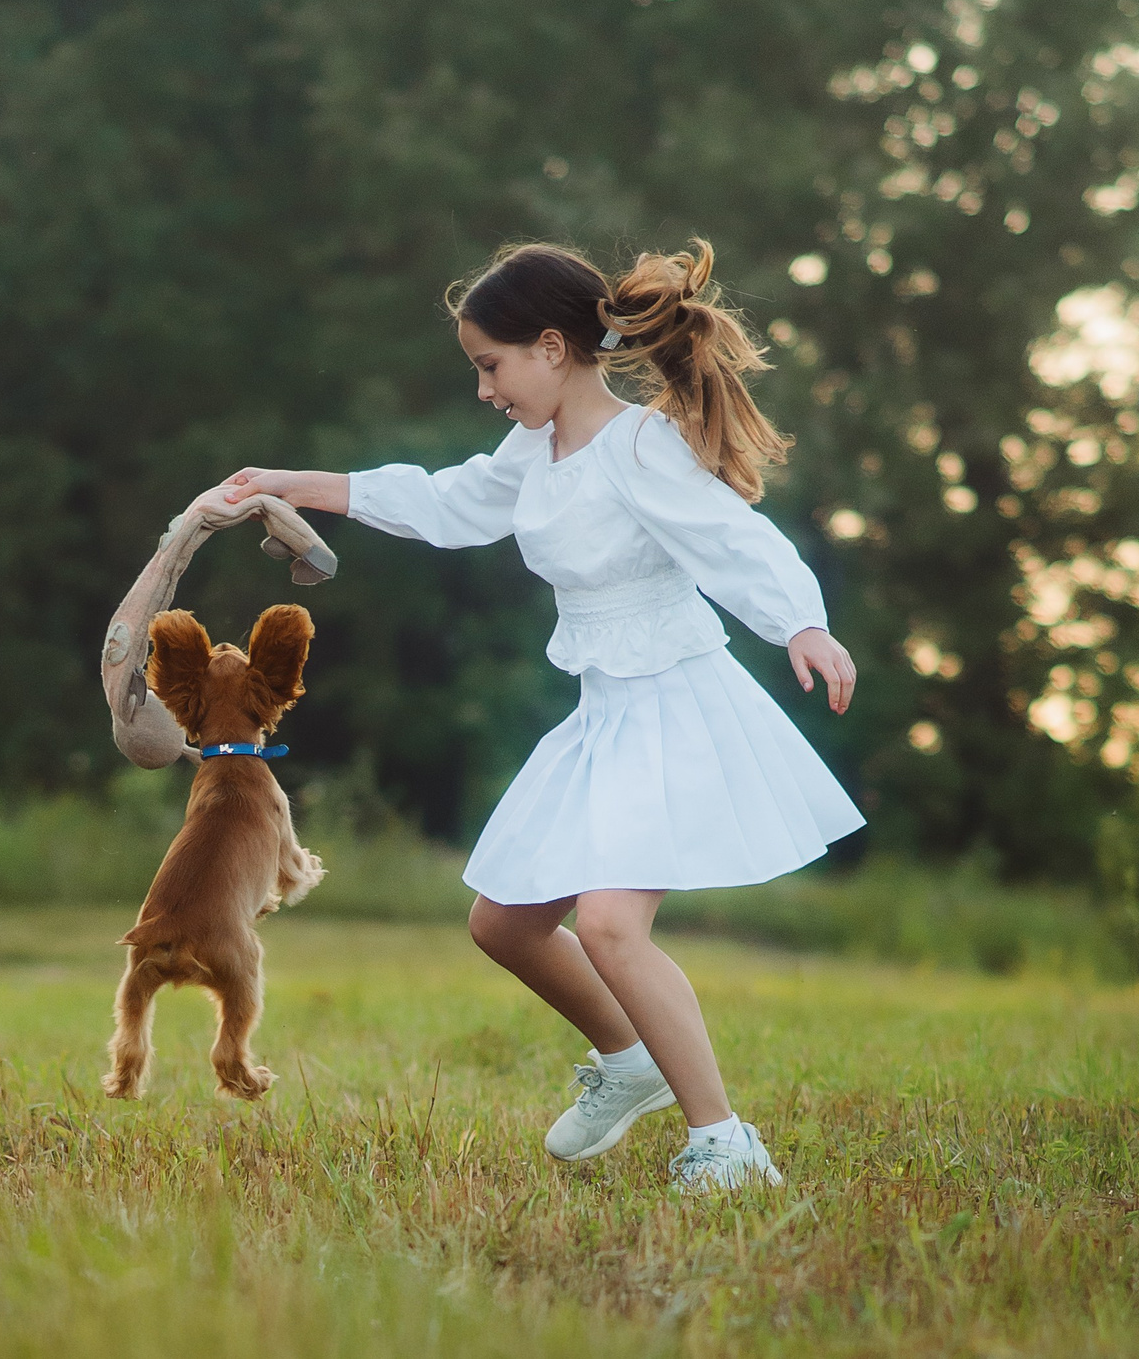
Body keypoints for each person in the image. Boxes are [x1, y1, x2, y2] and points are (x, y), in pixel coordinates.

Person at [212, 239, 860, 1191]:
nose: (485, 390)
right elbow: (445, 503)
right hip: (606, 712)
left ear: (552, 348)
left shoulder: (637, 446)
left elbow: (734, 538)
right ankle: (630, 1061)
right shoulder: (536, 451)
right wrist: (287, 484)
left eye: (491, 366)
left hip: (675, 704)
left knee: (610, 927)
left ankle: (726, 1144)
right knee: (504, 924)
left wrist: (801, 622)